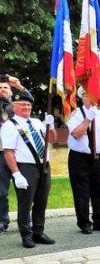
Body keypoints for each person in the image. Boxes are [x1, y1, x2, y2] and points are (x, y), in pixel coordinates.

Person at [1, 91, 56, 248]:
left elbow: (52, 140)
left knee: (41, 201)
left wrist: (51, 127)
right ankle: (26, 235)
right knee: (25, 202)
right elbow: (8, 152)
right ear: (14, 106)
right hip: (26, 167)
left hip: (44, 165)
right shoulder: (9, 126)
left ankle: (38, 232)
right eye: (22, 104)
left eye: (29, 105)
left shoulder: (37, 122)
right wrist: (17, 174)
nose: (26, 107)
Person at [66, 87, 100, 234]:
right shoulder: (75, 114)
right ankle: (84, 223)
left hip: (99, 157)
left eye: (95, 95)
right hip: (80, 158)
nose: (93, 98)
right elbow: (76, 133)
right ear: (83, 97)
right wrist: (88, 118)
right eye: (89, 95)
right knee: (81, 192)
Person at [0, 74, 31, 234]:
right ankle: (2, 221)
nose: (2, 90)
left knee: (25, 187)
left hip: (20, 154)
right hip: (1, 153)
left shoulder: (18, 106)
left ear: (11, 91)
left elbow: (29, 98)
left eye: (5, 87)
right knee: (1, 191)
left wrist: (18, 85)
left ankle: (26, 220)